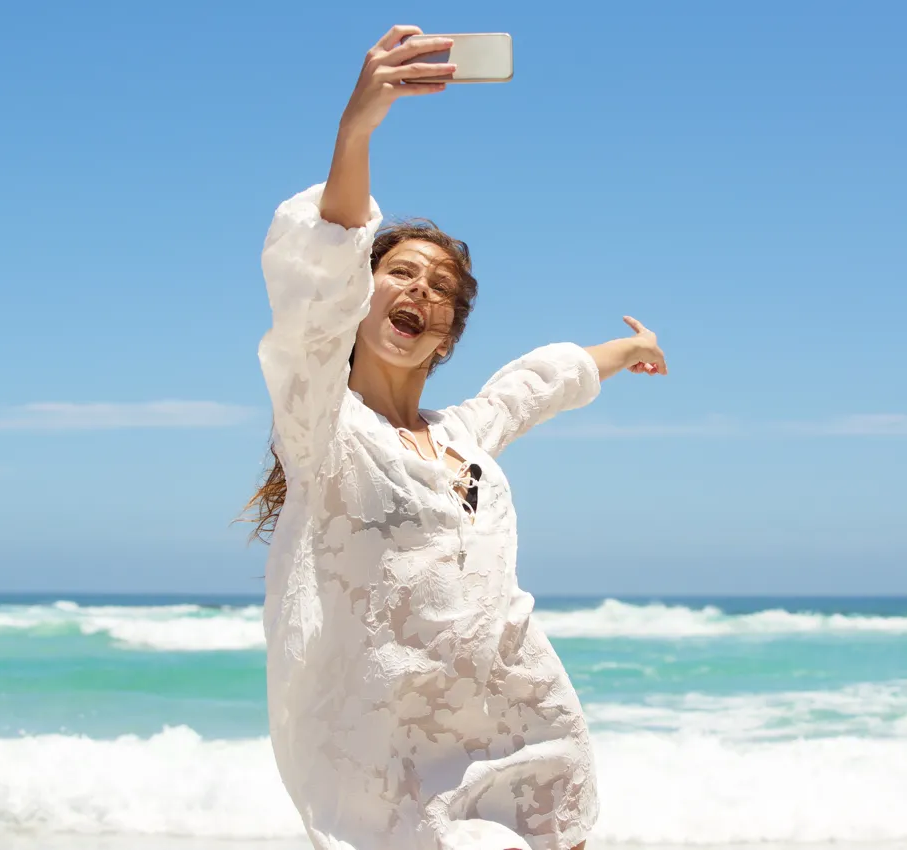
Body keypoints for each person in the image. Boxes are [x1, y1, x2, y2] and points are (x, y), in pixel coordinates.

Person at [247, 25, 667, 850]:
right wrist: (357, 127)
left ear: (446, 337)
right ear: (358, 301)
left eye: (440, 288)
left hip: (524, 716)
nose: (419, 290)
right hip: (388, 751)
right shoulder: (322, 424)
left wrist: (630, 349)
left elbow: (534, 384)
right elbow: (315, 281)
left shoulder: (463, 436)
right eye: (397, 272)